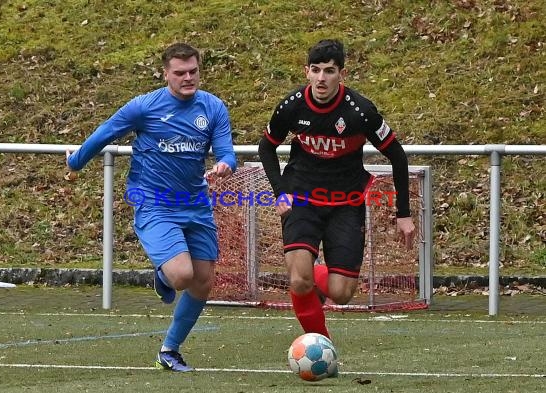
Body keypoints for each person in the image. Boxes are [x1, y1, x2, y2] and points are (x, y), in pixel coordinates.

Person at [66, 42, 236, 372]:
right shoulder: (144, 107)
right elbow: (105, 133)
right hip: (154, 201)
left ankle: (169, 351)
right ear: (166, 74)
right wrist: (75, 162)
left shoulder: (213, 108)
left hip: (196, 204)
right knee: (182, 276)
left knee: (203, 280)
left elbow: (226, 152)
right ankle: (163, 273)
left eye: (193, 71)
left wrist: (225, 164)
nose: (188, 78)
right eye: (180, 73)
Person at [258, 39, 415, 341]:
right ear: (306, 72)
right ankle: (321, 346)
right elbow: (267, 147)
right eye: (315, 70)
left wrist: (403, 214)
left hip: (346, 202)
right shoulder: (291, 107)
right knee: (299, 280)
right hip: (301, 197)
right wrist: (280, 190)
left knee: (341, 293)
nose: (321, 78)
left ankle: (317, 281)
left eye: (329, 71)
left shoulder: (361, 111)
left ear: (341, 73)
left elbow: (397, 156)